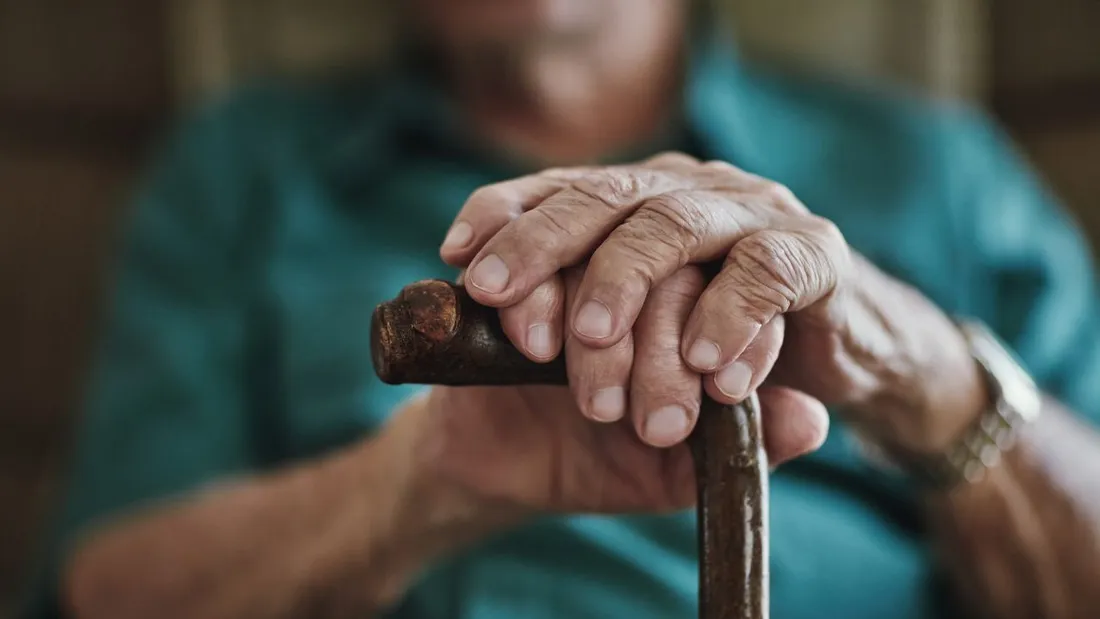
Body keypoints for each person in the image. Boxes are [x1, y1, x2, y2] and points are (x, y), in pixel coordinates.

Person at [22, 0, 1100, 618]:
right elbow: (106, 588)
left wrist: (924, 375)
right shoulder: (239, 169)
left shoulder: (938, 172)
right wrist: (414, 485)